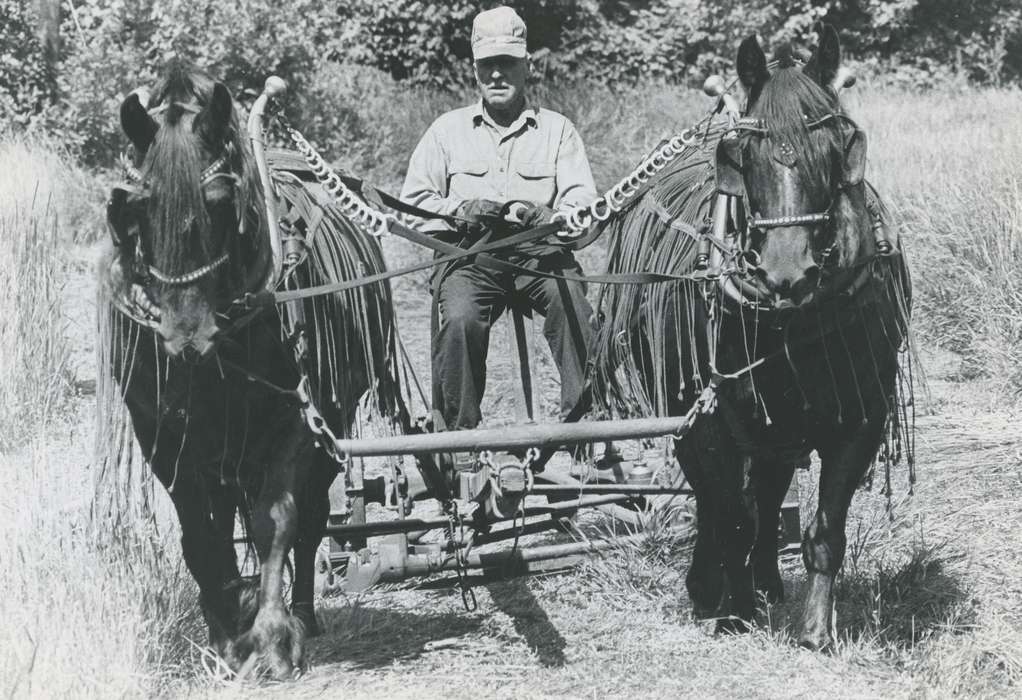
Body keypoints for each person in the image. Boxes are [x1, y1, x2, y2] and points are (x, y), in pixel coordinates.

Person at [401, 5, 598, 432]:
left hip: (539, 256)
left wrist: (555, 214)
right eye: (487, 65)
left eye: (506, 63)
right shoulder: (446, 131)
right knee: (459, 319)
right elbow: (414, 202)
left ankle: (584, 431)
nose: (497, 75)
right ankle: (460, 441)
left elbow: (583, 198)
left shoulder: (557, 130)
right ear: (474, 71)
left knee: (574, 308)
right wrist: (460, 211)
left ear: (526, 66)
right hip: (471, 260)